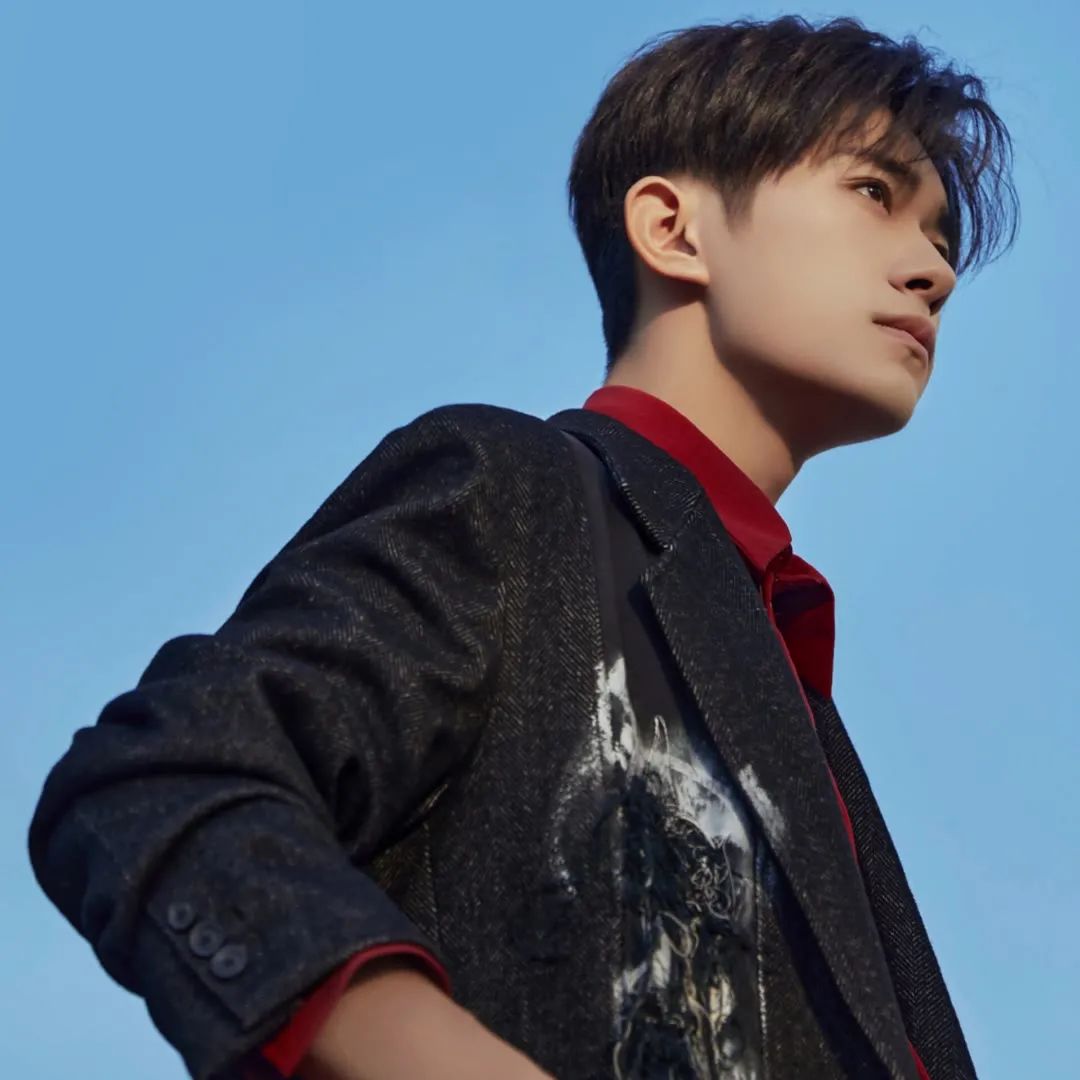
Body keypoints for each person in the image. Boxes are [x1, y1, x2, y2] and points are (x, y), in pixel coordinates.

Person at [28, 14, 1019, 1080]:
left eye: (942, 237)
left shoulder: (791, 675)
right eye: (873, 193)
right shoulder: (520, 495)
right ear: (673, 229)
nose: (934, 270)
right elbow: (157, 782)